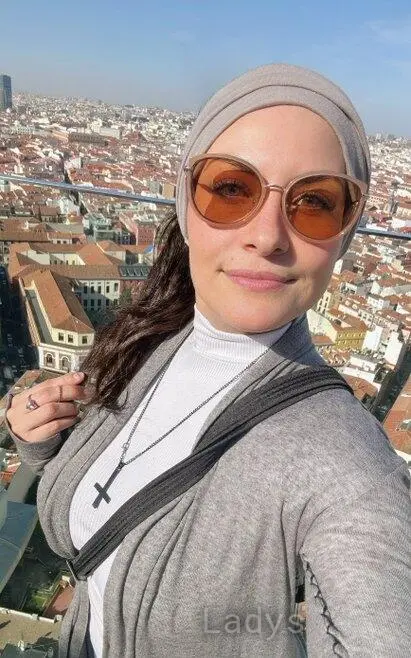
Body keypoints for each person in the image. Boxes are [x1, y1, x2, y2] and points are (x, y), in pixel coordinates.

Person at [5, 64, 410, 658]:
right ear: (186, 206)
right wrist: (41, 441)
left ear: (344, 236)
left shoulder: (348, 466)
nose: (268, 235)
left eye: (315, 203)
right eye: (232, 189)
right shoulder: (151, 339)